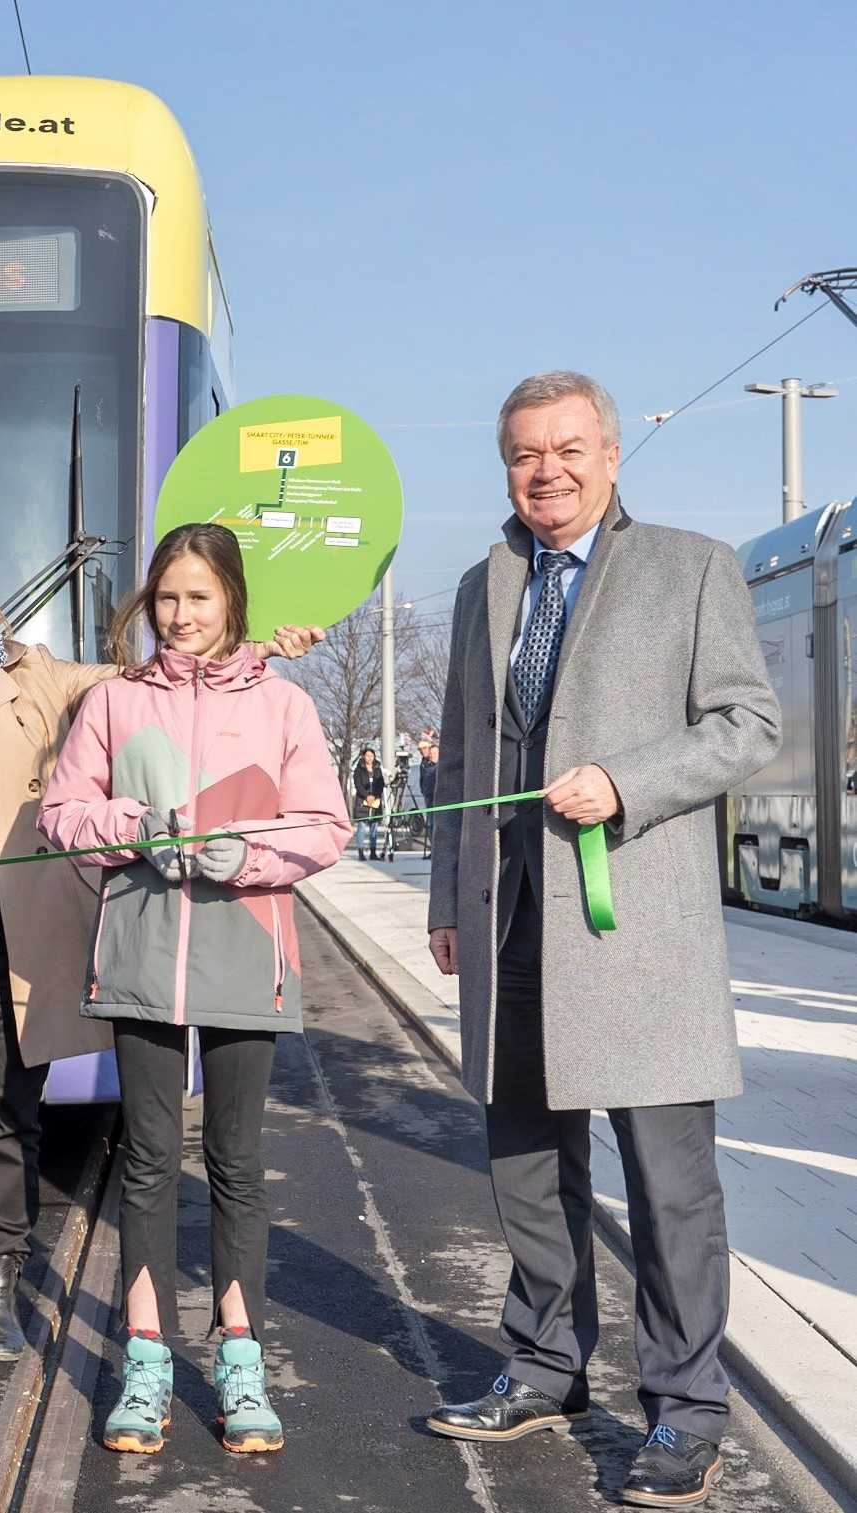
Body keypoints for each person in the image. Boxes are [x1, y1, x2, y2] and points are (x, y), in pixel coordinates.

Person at [424, 372, 778, 1509]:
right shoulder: (486, 586)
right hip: (511, 919)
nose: (548, 471)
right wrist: (447, 895)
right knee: (527, 1164)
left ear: (613, 456)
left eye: (569, 449)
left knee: (671, 1188)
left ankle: (686, 1408)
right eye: (526, 454)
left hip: (637, 930)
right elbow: (460, 761)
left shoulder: (692, 565)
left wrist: (623, 780)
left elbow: (747, 723)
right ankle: (543, 1366)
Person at [0, 535, 323, 1362]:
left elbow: (174, 681)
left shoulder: (47, 675)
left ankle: (0, 1282)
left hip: (19, 923)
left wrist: (258, 646)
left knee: (14, 1114)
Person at [39, 524, 348, 1458]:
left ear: (232, 603)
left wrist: (247, 853)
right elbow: (62, 813)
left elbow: (325, 825)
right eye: (167, 597)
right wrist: (143, 825)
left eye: (199, 598)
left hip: (246, 949)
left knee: (237, 1161)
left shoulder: (285, 706)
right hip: (137, 953)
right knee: (144, 1160)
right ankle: (146, 1359)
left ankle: (241, 1357)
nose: (179, 616)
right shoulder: (113, 701)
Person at [351, 746, 387, 859]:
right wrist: (367, 796)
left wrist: (375, 795)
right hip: (362, 802)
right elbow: (358, 785)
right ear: (363, 756)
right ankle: (361, 852)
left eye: (372, 756)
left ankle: (373, 852)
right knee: (361, 826)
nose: (369, 758)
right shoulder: (358, 770)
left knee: (374, 827)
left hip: (375, 802)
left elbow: (381, 784)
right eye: (367, 755)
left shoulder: (378, 769)